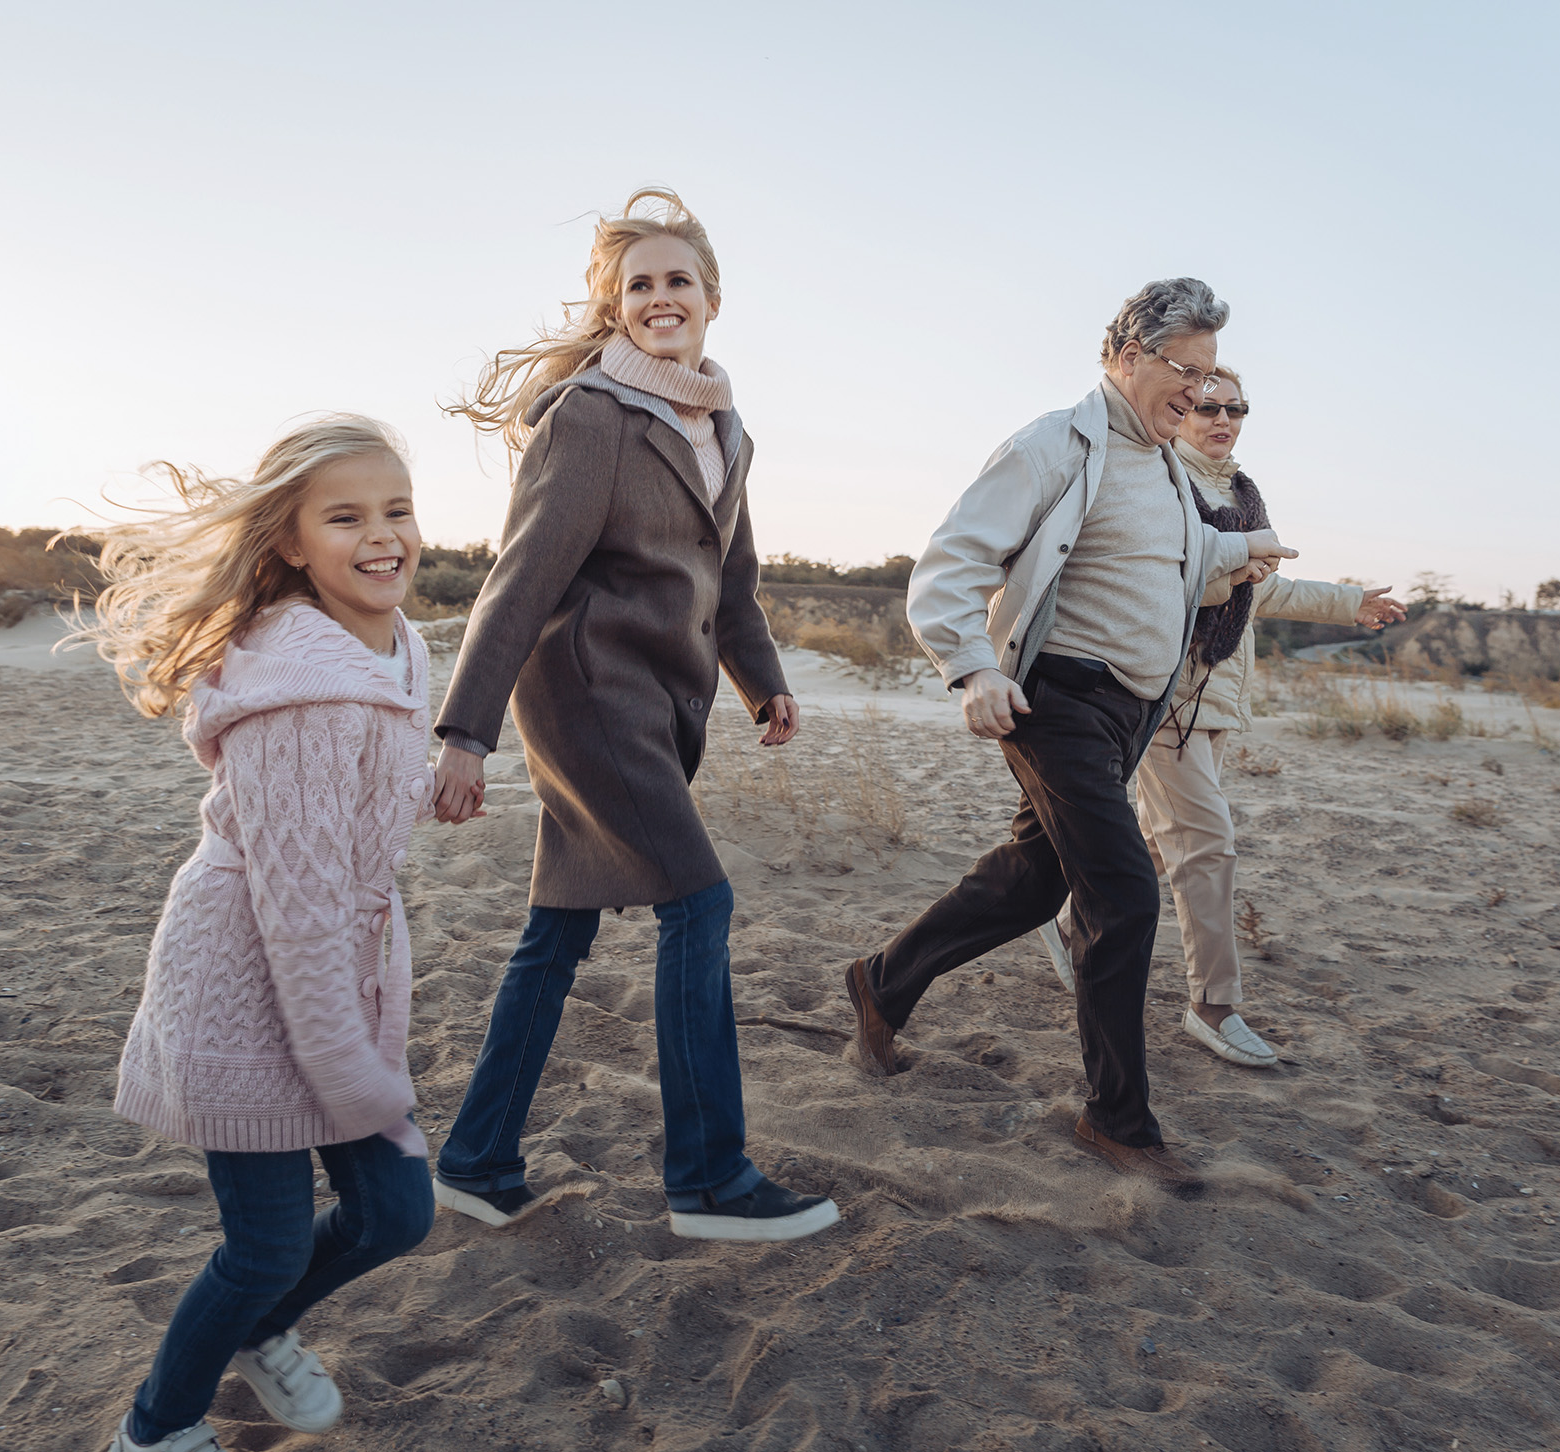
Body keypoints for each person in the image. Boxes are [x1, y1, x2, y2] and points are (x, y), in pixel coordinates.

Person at [428, 188, 838, 1244]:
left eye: (677, 281)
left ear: (712, 299)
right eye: (638, 283)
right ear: (614, 305)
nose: (660, 298)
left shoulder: (724, 427)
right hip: (586, 696)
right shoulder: (591, 416)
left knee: (556, 931)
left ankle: (475, 1159)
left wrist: (764, 682)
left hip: (660, 702)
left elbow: (729, 577)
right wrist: (463, 732)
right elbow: (519, 577)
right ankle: (706, 1176)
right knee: (696, 907)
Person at [839, 279, 1296, 1192]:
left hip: (1128, 711)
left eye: (1211, 377)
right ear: (1127, 357)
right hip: (1056, 698)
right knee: (1124, 892)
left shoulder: (1164, 465)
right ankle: (1116, 1118)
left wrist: (1236, 553)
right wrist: (973, 670)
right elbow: (952, 563)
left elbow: (1167, 556)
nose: (1201, 395)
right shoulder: (1056, 442)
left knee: (1027, 881)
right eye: (1186, 371)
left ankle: (882, 983)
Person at [76, 417, 445, 1452]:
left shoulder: (395, 645)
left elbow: (349, 800)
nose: (382, 537)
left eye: (396, 509)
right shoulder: (298, 687)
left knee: (395, 1213)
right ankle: (157, 1429)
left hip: (333, 967)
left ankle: (264, 1328)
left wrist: (427, 786)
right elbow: (296, 902)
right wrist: (350, 1071)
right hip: (246, 983)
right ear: (288, 543)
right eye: (345, 517)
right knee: (265, 1245)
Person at [1037, 367, 1405, 1067]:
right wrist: (1236, 568)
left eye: (1236, 407)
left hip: (1218, 698)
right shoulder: (1160, 479)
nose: (1222, 418)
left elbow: (1264, 589)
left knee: (1158, 839)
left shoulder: (1240, 491)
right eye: (1208, 406)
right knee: (1208, 843)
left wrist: (1348, 600)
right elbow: (1163, 581)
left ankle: (1060, 922)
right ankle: (1214, 1004)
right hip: (1166, 693)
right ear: (1180, 406)